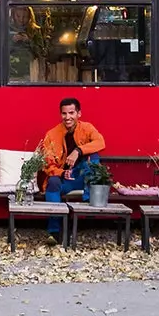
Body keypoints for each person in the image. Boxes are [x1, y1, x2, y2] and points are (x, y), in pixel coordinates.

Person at [40, 96, 105, 238]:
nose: (67, 117)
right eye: (64, 113)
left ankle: (89, 201)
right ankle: (54, 232)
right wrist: (62, 173)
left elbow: (101, 142)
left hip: (84, 175)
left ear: (79, 114)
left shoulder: (87, 128)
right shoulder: (51, 134)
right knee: (52, 181)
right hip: (66, 178)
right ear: (60, 114)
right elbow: (47, 164)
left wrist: (79, 150)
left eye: (71, 113)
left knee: (93, 157)